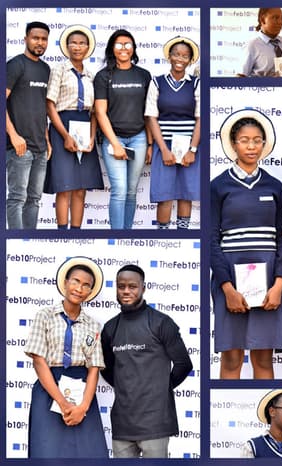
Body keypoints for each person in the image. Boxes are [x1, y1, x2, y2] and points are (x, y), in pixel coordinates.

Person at [210, 109, 282, 379]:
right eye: (244, 140)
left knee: (264, 359)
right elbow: (211, 240)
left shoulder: (274, 186)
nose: (252, 146)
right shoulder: (218, 186)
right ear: (233, 144)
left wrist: (278, 284)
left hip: (267, 281)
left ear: (264, 144)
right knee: (231, 358)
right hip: (229, 279)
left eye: (257, 140)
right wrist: (227, 288)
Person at [100, 264, 193, 458]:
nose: (126, 291)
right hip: (122, 423)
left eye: (132, 286)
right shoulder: (110, 328)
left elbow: (184, 364)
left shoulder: (161, 322)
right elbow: (106, 369)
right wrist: (126, 386)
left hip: (155, 423)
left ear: (143, 287)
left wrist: (161, 387)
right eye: (121, 286)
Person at [24, 257, 108, 458]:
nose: (79, 288)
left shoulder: (93, 325)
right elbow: (38, 360)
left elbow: (94, 368)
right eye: (75, 281)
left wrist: (83, 408)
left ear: (90, 292)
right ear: (65, 283)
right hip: (49, 390)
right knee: (47, 452)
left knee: (89, 453)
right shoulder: (44, 315)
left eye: (86, 285)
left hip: (82, 394)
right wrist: (62, 403)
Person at [44, 25, 103, 229]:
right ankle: (62, 232)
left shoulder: (92, 75)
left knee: (80, 188)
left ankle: (76, 232)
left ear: (88, 47)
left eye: (82, 43)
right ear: (66, 46)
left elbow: (95, 111)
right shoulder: (58, 69)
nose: (77, 47)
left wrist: (92, 137)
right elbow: (50, 104)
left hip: (85, 126)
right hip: (62, 126)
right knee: (65, 186)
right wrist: (65, 135)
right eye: (73, 43)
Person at [94, 29, 152, 229]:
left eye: (128, 44)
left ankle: (127, 233)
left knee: (131, 191)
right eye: (119, 45)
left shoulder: (144, 75)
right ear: (112, 48)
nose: (124, 48)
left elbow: (148, 112)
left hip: (139, 138)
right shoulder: (103, 76)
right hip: (113, 139)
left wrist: (150, 143)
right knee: (119, 190)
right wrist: (115, 143)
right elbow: (100, 112)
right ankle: (116, 234)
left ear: (134, 47)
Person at [145, 36, 201, 230]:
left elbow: (200, 118)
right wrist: (163, 149)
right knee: (164, 196)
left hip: (189, 147)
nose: (180, 58)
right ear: (169, 56)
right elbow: (152, 117)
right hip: (165, 146)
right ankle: (163, 234)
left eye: (185, 56)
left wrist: (192, 149)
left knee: (185, 194)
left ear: (190, 60)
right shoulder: (157, 82)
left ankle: (183, 234)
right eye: (176, 54)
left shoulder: (195, 83)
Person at [6, 21, 51, 229]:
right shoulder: (15, 65)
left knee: (34, 199)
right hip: (19, 147)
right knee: (17, 198)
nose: (39, 43)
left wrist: (47, 140)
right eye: (35, 38)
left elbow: (41, 106)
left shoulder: (45, 69)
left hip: (40, 147)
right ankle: (16, 239)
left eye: (44, 39)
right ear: (26, 39)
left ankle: (29, 236)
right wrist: (13, 136)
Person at [239, 8, 282, 77]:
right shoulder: (251, 46)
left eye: (281, 18)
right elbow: (241, 76)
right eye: (275, 18)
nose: (280, 22)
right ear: (263, 20)